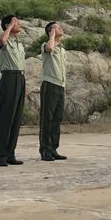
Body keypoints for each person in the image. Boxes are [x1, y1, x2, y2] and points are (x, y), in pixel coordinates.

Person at [0, 14, 25, 167]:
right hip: (9, 77)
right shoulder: (5, 40)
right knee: (6, 117)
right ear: (8, 25)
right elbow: (2, 41)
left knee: (16, 117)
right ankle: (0, 155)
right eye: (15, 22)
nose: (18, 24)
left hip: (20, 77)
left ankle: (10, 153)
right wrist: (10, 27)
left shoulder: (19, 43)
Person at [39, 21, 67, 162]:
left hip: (60, 86)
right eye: (57, 27)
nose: (60, 28)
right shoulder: (46, 45)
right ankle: (45, 150)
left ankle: (53, 148)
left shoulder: (62, 48)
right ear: (50, 31)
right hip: (50, 84)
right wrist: (52, 36)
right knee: (47, 119)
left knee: (57, 118)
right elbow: (49, 48)